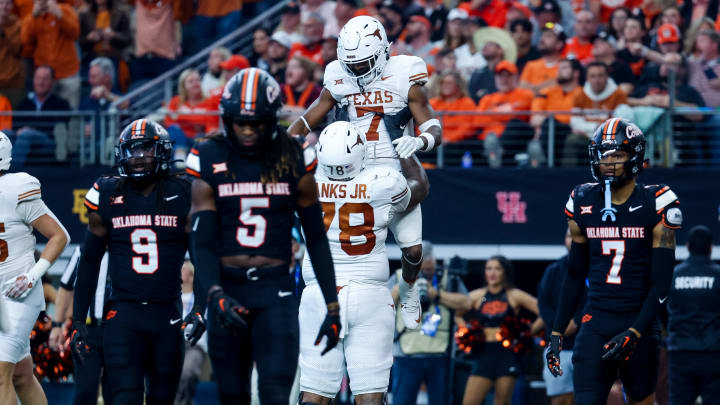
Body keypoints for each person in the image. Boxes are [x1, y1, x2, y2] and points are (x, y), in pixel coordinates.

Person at [185, 68, 341, 404]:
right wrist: (212, 294)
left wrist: (333, 306)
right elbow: (202, 243)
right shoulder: (208, 155)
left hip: (275, 290)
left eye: (255, 122)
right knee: (233, 395)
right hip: (228, 287)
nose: (247, 130)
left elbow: (315, 236)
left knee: (274, 393)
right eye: (240, 121)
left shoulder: (294, 155)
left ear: (271, 119)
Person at [287, 15, 442, 332]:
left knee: (412, 249)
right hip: (348, 169)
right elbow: (312, 113)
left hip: (393, 164)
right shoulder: (336, 75)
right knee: (343, 240)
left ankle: (409, 289)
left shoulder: (404, 74)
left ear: (384, 51)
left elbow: (433, 125)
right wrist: (286, 141)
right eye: (351, 64)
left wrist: (421, 140)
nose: (357, 70)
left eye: (364, 63)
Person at [547, 118, 682, 405]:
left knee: (641, 400)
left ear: (635, 156)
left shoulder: (658, 201)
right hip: (596, 320)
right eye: (603, 155)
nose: (608, 163)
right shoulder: (581, 199)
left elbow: (661, 283)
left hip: (639, 321)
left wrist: (635, 331)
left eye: (617, 155)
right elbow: (574, 273)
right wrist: (557, 331)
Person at [71, 119, 206, 405]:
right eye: (132, 151)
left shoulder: (183, 192)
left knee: (162, 398)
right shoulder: (107, 192)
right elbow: (90, 261)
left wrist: (200, 308)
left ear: (162, 151)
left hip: (167, 313)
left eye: (146, 150)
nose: (138, 158)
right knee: (124, 397)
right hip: (123, 314)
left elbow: (202, 258)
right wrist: (77, 319)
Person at [298, 121, 424, 405]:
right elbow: (419, 191)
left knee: (313, 394)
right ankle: (409, 291)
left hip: (319, 293)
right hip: (370, 292)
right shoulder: (384, 181)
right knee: (371, 397)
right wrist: (406, 149)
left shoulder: (305, 181)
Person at [0, 130, 70, 404]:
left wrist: (32, 276)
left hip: (18, 293)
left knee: (1, 374)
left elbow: (59, 236)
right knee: (20, 374)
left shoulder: (15, 189)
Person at [390, 243, 471, 405]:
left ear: (434, 261)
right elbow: (384, 303)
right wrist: (405, 283)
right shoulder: (400, 276)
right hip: (407, 354)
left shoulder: (448, 278)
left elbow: (466, 303)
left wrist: (437, 295)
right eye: (422, 270)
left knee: (440, 400)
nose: (426, 274)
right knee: (402, 401)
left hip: (440, 354)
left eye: (429, 270)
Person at [459, 255, 540, 405]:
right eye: (489, 269)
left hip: (506, 355)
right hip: (484, 354)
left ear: (505, 272)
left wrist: (529, 332)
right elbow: (456, 313)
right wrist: (466, 329)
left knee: (502, 402)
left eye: (497, 268)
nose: (492, 273)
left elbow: (543, 311)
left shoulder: (514, 295)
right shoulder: (479, 296)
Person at [51, 246, 113, 405]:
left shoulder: (123, 248)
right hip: (88, 331)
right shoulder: (83, 250)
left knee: (116, 392)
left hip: (118, 331)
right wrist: (57, 324)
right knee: (85, 392)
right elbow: (65, 286)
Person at [666, 225, 720, 405]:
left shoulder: (672, 276)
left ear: (687, 246)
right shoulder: (718, 276)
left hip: (680, 352)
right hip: (713, 353)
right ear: (710, 247)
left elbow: (660, 310)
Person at [538, 228, 584, 405]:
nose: (572, 240)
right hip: (558, 347)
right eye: (568, 236)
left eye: (575, 236)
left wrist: (578, 321)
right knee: (559, 399)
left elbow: (598, 300)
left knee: (590, 396)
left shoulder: (596, 269)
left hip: (587, 344)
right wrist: (561, 324)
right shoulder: (553, 271)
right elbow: (543, 304)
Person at [21, 0, 81, 109]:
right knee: (46, 112)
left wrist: (59, 15)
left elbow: (75, 33)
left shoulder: (66, 10)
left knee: (71, 113)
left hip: (67, 72)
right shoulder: (33, 16)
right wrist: (33, 17)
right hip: (44, 76)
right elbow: (25, 40)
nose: (44, 3)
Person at [566, 62, 628, 166]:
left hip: (610, 140)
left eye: (600, 76)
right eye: (593, 76)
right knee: (572, 140)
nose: (597, 80)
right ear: (587, 78)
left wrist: (591, 129)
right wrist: (595, 127)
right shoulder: (579, 94)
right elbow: (575, 122)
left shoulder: (618, 94)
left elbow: (621, 122)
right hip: (586, 137)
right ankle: (567, 174)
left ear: (607, 77)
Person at [475, 61, 534, 167]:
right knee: (490, 139)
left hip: (515, 142)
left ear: (516, 77)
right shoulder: (487, 99)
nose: (504, 79)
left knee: (514, 123)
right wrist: (503, 112)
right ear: (495, 78)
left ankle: (498, 152)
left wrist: (491, 113)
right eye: (500, 76)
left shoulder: (526, 95)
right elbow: (477, 121)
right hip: (488, 141)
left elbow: (519, 116)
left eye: (508, 76)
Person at [530, 58, 583, 166]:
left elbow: (579, 121)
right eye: (559, 68)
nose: (558, 71)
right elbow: (534, 119)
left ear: (576, 73)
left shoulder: (583, 94)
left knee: (549, 123)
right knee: (549, 124)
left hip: (569, 132)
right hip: (549, 131)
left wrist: (547, 118)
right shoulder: (546, 92)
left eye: (564, 68)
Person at [14, 65, 72, 164]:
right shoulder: (24, 103)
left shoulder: (61, 104)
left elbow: (59, 130)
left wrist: (31, 130)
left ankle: (11, 172)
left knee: (26, 134)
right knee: (5, 133)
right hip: (24, 139)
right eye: (38, 78)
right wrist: (19, 130)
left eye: (45, 79)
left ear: (53, 82)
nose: (40, 82)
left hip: (48, 143)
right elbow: (15, 125)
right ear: (33, 80)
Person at [174, 260, 207, 405]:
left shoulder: (200, 298)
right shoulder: (174, 296)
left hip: (195, 343)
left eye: (184, 268)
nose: (181, 269)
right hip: (175, 341)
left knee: (187, 373)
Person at [520, 22, 566, 95]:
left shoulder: (566, 65)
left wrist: (533, 88)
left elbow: (564, 87)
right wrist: (550, 84)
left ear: (559, 44)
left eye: (548, 36)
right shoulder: (531, 65)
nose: (542, 39)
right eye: (542, 35)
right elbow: (522, 90)